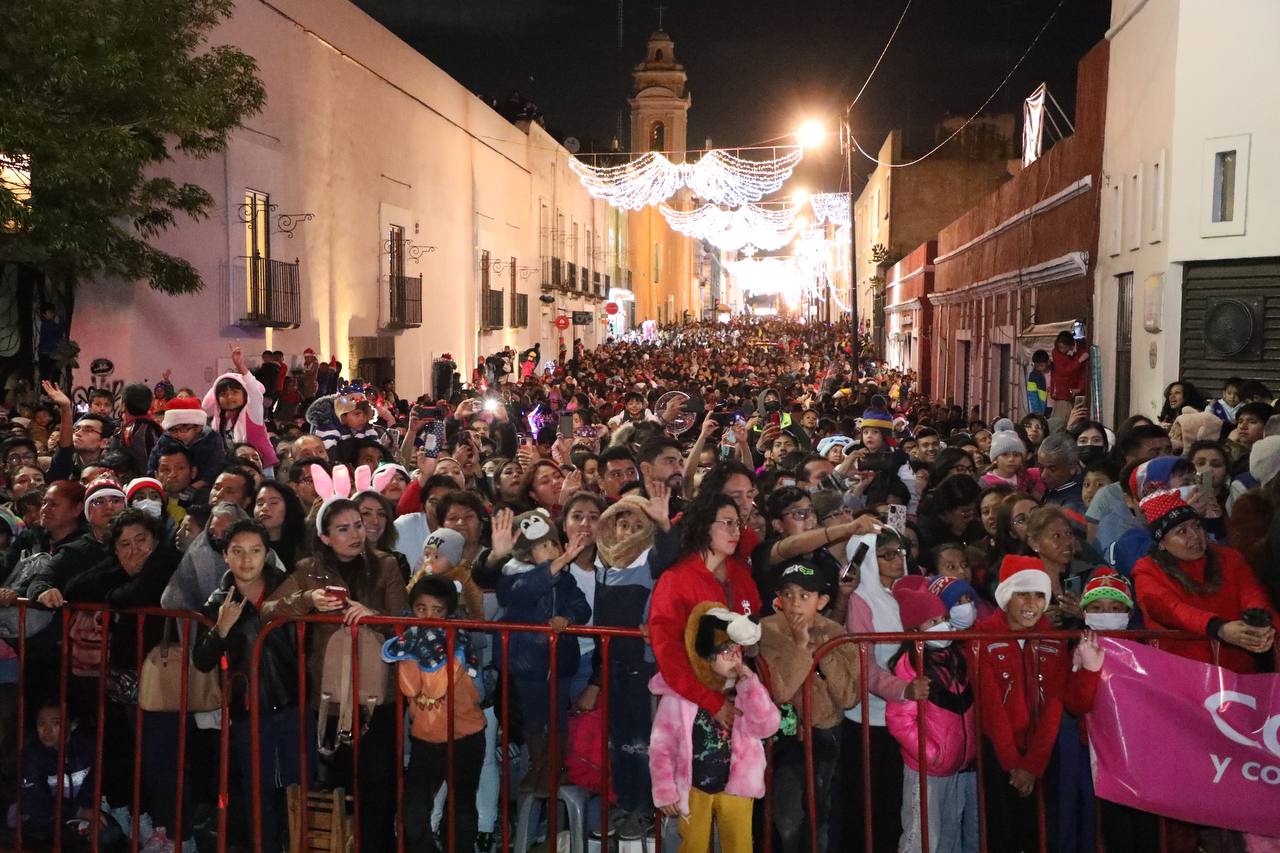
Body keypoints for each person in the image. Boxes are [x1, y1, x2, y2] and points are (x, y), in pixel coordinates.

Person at [261, 495, 407, 851]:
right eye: (343, 529)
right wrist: (307, 599)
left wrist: (371, 614)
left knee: (379, 785)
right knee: (336, 784)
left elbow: (404, 624)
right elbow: (268, 610)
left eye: (358, 525)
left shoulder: (386, 565)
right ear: (325, 537)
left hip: (379, 694)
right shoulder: (309, 569)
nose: (356, 533)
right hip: (329, 697)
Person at [972, 555, 1103, 852]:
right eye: (1023, 594)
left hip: (1042, 756)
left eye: (1039, 595)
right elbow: (991, 708)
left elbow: (1059, 704)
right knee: (1001, 836)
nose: (1032, 603)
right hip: (998, 755)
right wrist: (1013, 765)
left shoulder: (1053, 639)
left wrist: (1032, 765)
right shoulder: (981, 636)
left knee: (1042, 836)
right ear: (1006, 596)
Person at [192, 520, 302, 853]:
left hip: (293, 702)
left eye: (255, 551)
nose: (246, 560)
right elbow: (201, 659)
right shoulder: (217, 602)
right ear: (225, 555)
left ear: (266, 554)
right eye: (237, 551)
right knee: (258, 794)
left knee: (297, 789)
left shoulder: (287, 590)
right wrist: (220, 630)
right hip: (247, 710)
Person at [648, 604, 780, 853]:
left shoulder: (745, 688)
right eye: (725, 651)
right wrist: (664, 789)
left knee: (739, 845)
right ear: (707, 657)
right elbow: (661, 744)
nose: (734, 657)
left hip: (737, 787)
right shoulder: (680, 696)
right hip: (694, 787)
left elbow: (767, 726)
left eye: (737, 650)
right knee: (693, 846)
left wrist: (750, 685)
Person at [758, 559, 859, 853]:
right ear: (778, 599)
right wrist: (802, 648)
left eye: (805, 596)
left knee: (821, 816)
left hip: (825, 734)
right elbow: (777, 690)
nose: (795, 604)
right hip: (783, 738)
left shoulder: (836, 633)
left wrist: (824, 654)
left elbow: (849, 696)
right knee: (787, 820)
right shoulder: (767, 631)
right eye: (788, 595)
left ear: (822, 600)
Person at [381, 574, 487, 853]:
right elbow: (408, 686)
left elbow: (441, 687)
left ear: (449, 613)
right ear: (412, 608)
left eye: (437, 610)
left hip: (465, 738)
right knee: (414, 812)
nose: (428, 617)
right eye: (421, 608)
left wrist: (426, 654)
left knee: (461, 810)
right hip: (425, 740)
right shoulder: (408, 644)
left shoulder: (459, 646)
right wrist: (412, 651)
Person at [494, 509, 591, 794]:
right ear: (526, 555)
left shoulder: (565, 580)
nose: (552, 551)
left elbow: (582, 608)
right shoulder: (513, 577)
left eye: (554, 545)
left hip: (561, 662)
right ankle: (539, 765)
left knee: (558, 716)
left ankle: (556, 767)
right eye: (543, 547)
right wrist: (559, 563)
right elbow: (524, 591)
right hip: (528, 663)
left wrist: (568, 619)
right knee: (534, 716)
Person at [1132, 489, 1275, 674]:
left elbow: (1251, 592)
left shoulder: (1229, 557)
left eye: (1197, 526)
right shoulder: (1147, 571)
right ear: (1161, 543)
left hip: (1240, 672)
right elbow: (1171, 609)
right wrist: (1218, 628)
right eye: (1181, 531)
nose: (1195, 536)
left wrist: (1259, 621)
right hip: (1186, 675)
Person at [647, 494, 762, 724]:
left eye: (737, 523)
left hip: (738, 696)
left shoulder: (740, 574)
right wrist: (711, 702)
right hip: (690, 703)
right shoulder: (676, 579)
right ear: (703, 526)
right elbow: (668, 651)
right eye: (727, 523)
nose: (735, 531)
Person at [885, 580, 978, 853]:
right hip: (927, 770)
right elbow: (899, 721)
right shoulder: (910, 664)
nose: (943, 625)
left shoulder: (955, 657)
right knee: (922, 837)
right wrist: (931, 754)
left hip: (957, 766)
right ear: (914, 629)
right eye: (932, 621)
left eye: (943, 619)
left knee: (949, 836)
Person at [1026, 350, 1050, 416]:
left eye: (1041, 365)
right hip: (1043, 405)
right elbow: (1033, 395)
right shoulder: (1033, 376)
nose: (1039, 368)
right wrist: (1037, 412)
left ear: (1048, 362)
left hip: (1056, 404)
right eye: (1037, 366)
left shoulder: (1055, 371)